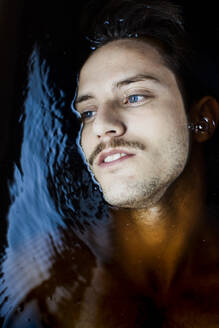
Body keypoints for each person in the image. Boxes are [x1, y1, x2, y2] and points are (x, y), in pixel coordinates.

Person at [73, 0, 219, 326]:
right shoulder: (47, 275)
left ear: (201, 120)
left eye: (134, 96)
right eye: (87, 112)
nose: (101, 126)